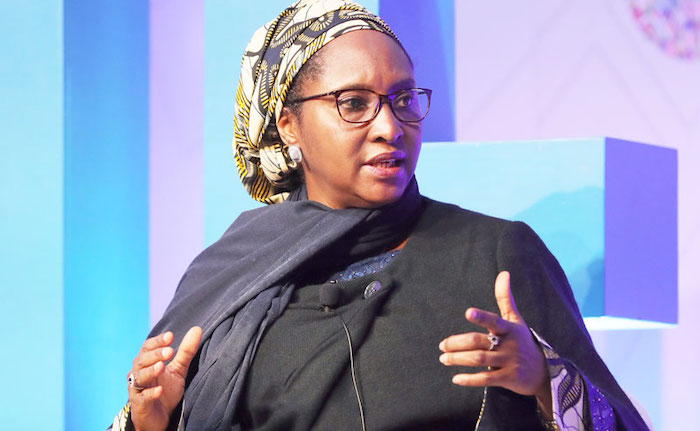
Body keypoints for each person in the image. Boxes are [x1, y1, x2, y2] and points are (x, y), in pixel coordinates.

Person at [111, 1, 649, 430]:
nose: (390, 127)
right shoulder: (231, 274)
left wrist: (544, 380)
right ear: (289, 126)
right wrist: (149, 423)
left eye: (404, 99)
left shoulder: (495, 252)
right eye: (353, 103)